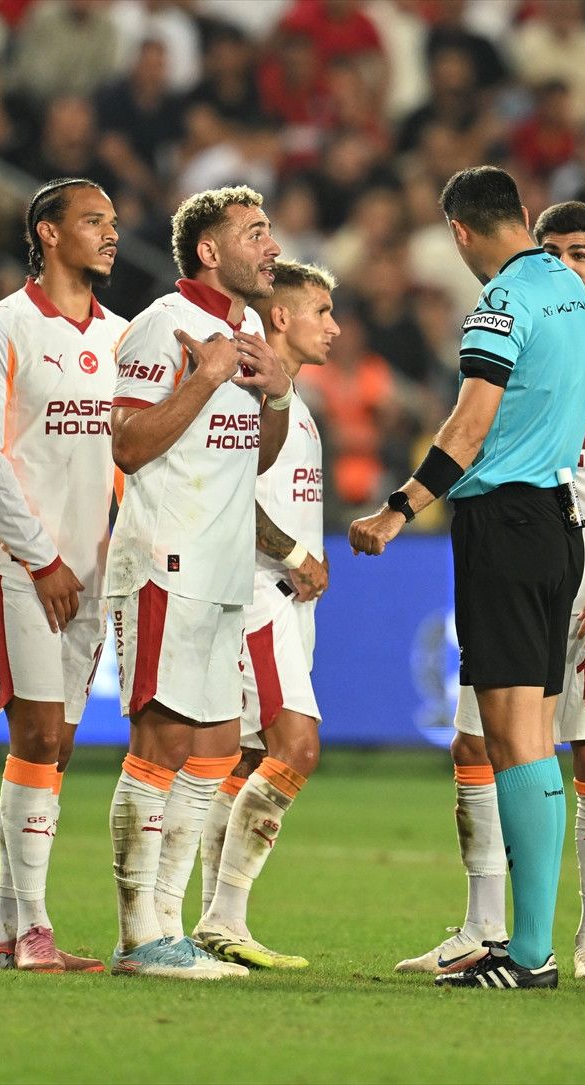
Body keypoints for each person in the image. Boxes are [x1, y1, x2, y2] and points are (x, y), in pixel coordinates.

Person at [392, 203, 585, 986]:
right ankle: (484, 924)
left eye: (581, 252)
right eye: (552, 248)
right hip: (519, 558)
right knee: (476, 743)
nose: (565, 262)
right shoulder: (525, 325)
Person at [350, 168, 585, 991]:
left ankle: (529, 951)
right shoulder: (567, 285)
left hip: (506, 521)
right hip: (560, 522)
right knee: (533, 732)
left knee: (513, 736)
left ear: (459, 231)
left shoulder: (499, 305)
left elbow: (472, 418)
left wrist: (401, 505)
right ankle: (525, 941)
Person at [106, 185, 316, 980]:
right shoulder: (163, 325)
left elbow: (252, 457)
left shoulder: (247, 330)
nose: (270, 246)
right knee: (161, 743)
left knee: (216, 749)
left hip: (227, 567)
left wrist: (275, 392)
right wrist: (206, 377)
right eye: (255, 233)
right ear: (208, 250)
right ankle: (138, 933)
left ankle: (169, 926)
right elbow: (126, 445)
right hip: (167, 560)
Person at [0, 178, 126, 973]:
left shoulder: (124, 338)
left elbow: (132, 453)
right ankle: (34, 933)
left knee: (56, 749)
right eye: (93, 220)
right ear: (48, 233)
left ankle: (3, 930)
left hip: (90, 570)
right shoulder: (0, 328)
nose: (110, 233)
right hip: (17, 563)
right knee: (38, 733)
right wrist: (43, 556)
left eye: (115, 222)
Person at [193, 259, 339, 970]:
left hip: (283, 599)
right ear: (279, 316)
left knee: (247, 758)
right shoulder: (248, 391)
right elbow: (223, 493)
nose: (333, 326)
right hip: (256, 594)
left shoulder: (295, 405)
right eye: (320, 310)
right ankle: (217, 915)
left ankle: (216, 920)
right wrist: (292, 555)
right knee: (297, 748)